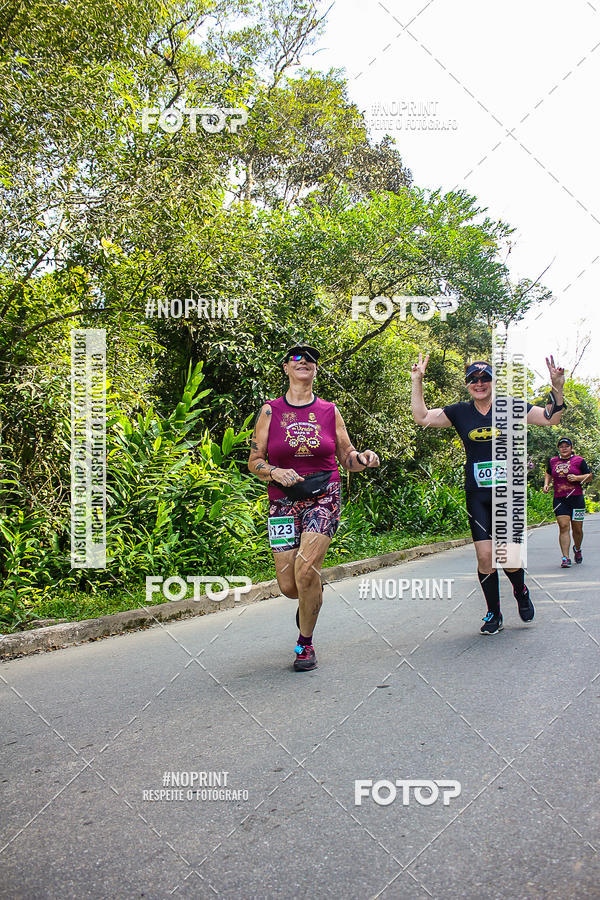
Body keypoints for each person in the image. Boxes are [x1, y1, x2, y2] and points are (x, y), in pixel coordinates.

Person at [411, 354, 566, 635]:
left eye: (484, 378)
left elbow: (551, 419)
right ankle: (493, 613)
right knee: (485, 556)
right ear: (467, 385)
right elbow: (421, 416)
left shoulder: (511, 407)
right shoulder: (459, 412)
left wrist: (557, 387)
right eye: (473, 379)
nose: (479, 383)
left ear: (493, 381)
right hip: (477, 494)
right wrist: (417, 380)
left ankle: (520, 590)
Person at [248, 344, 380, 671]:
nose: (303, 362)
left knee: (306, 571)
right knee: (289, 585)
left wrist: (361, 460)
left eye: (310, 359)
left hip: (324, 494)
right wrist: (274, 471)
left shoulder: (329, 411)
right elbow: (254, 461)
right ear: (285, 368)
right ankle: (310, 597)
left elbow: (347, 456)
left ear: (315, 370)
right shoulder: (270, 411)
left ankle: (304, 644)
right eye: (296, 358)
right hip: (282, 499)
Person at [544, 437, 592, 567]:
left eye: (566, 446)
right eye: (561, 446)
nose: (564, 448)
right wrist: (546, 484)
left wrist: (577, 477)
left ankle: (577, 548)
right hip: (560, 499)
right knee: (563, 526)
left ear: (571, 448)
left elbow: (589, 476)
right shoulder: (553, 461)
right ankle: (565, 557)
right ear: (558, 448)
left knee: (577, 529)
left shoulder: (579, 461)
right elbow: (548, 473)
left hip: (577, 499)